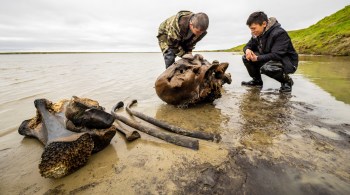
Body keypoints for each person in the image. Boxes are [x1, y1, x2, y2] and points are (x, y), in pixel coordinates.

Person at [241, 11, 298, 92]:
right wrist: (247, 50)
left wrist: (257, 58)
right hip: (270, 58)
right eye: (250, 29)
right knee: (246, 57)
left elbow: (277, 55)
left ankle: (287, 82)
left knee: (268, 68)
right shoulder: (256, 34)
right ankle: (257, 81)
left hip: (287, 62)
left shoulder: (279, 33)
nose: (252, 31)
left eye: (254, 28)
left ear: (264, 24)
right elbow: (248, 45)